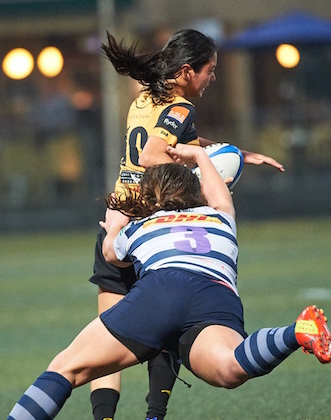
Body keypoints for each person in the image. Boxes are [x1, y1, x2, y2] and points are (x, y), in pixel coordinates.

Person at [7, 143, 331, 420]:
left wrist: (116, 223)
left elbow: (111, 255)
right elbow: (221, 197)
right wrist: (201, 156)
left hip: (162, 289)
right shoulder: (221, 217)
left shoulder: (142, 226)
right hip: (216, 296)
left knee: (66, 368)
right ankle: (296, 332)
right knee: (229, 367)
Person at [88, 29, 286, 420]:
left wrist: (239, 154)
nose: (213, 78)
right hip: (153, 227)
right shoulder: (180, 108)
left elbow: (187, 144)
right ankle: (154, 415)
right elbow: (152, 156)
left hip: (116, 221)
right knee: (166, 329)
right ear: (186, 71)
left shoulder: (146, 97)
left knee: (105, 333)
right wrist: (197, 177)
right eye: (209, 70)